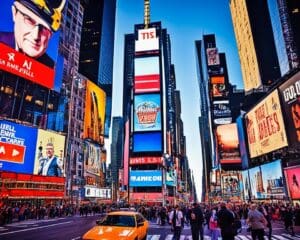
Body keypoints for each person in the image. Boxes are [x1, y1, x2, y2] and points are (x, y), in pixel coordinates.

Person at [0, 0, 66, 68]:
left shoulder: (49, 66)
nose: (35, 36)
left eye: (44, 28)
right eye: (29, 20)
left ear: (50, 35)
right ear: (14, 13)